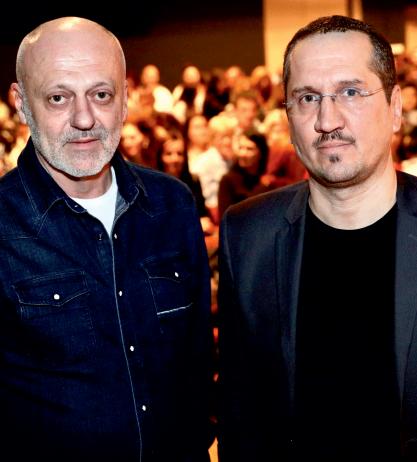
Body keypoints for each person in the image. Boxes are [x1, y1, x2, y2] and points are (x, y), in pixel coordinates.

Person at [0, 17, 213, 461]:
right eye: (58, 97)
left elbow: (196, 361)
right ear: (21, 104)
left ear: (125, 99)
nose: (84, 119)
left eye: (101, 94)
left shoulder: (172, 205)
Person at [217, 15, 417, 461]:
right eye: (308, 98)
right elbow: (240, 415)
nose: (328, 120)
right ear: (288, 117)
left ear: (395, 108)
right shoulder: (246, 235)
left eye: (351, 92)